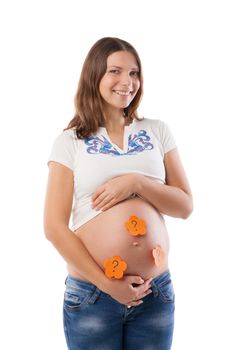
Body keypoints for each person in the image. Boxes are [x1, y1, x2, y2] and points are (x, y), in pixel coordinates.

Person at [44, 37, 193, 350]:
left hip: (155, 292)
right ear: (95, 75)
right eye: (115, 71)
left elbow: (184, 206)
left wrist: (137, 183)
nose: (127, 82)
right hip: (93, 294)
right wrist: (108, 284)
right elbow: (54, 228)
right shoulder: (70, 141)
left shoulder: (157, 131)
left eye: (134, 73)